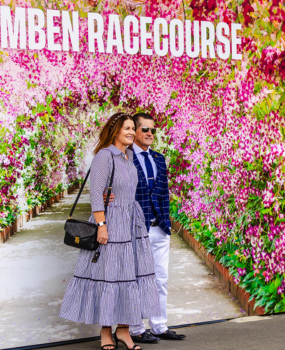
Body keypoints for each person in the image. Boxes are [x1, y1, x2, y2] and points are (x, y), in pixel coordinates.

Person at [59, 113, 161, 350]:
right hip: (112, 221)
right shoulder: (105, 156)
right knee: (109, 275)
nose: (130, 131)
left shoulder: (129, 156)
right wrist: (102, 225)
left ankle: (124, 331)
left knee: (131, 275)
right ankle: (105, 331)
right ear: (114, 131)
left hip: (131, 222)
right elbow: (96, 193)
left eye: (131, 128)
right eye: (126, 128)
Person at [107, 112, 185, 343]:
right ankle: (135, 329)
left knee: (160, 279)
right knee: (135, 280)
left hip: (159, 228)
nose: (150, 133)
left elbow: (163, 194)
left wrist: (166, 223)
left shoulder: (159, 159)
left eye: (153, 130)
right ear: (134, 131)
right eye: (145, 130)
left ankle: (159, 326)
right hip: (134, 229)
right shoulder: (122, 158)